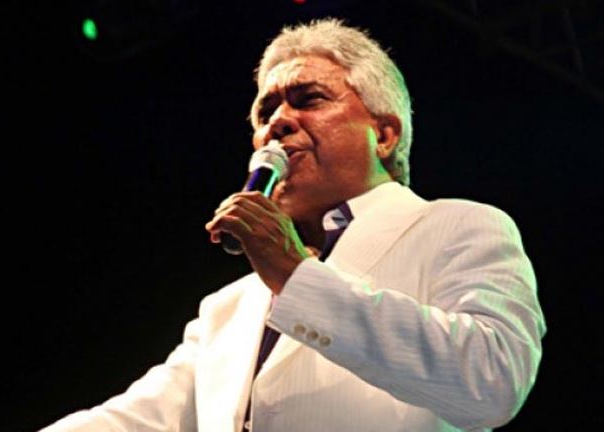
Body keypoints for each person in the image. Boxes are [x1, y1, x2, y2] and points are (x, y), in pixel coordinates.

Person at [40, 18, 545, 432]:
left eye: (309, 99)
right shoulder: (228, 307)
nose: (277, 123)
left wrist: (295, 275)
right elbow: (137, 421)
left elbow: (492, 381)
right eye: (266, 111)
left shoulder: (459, 227)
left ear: (385, 135)